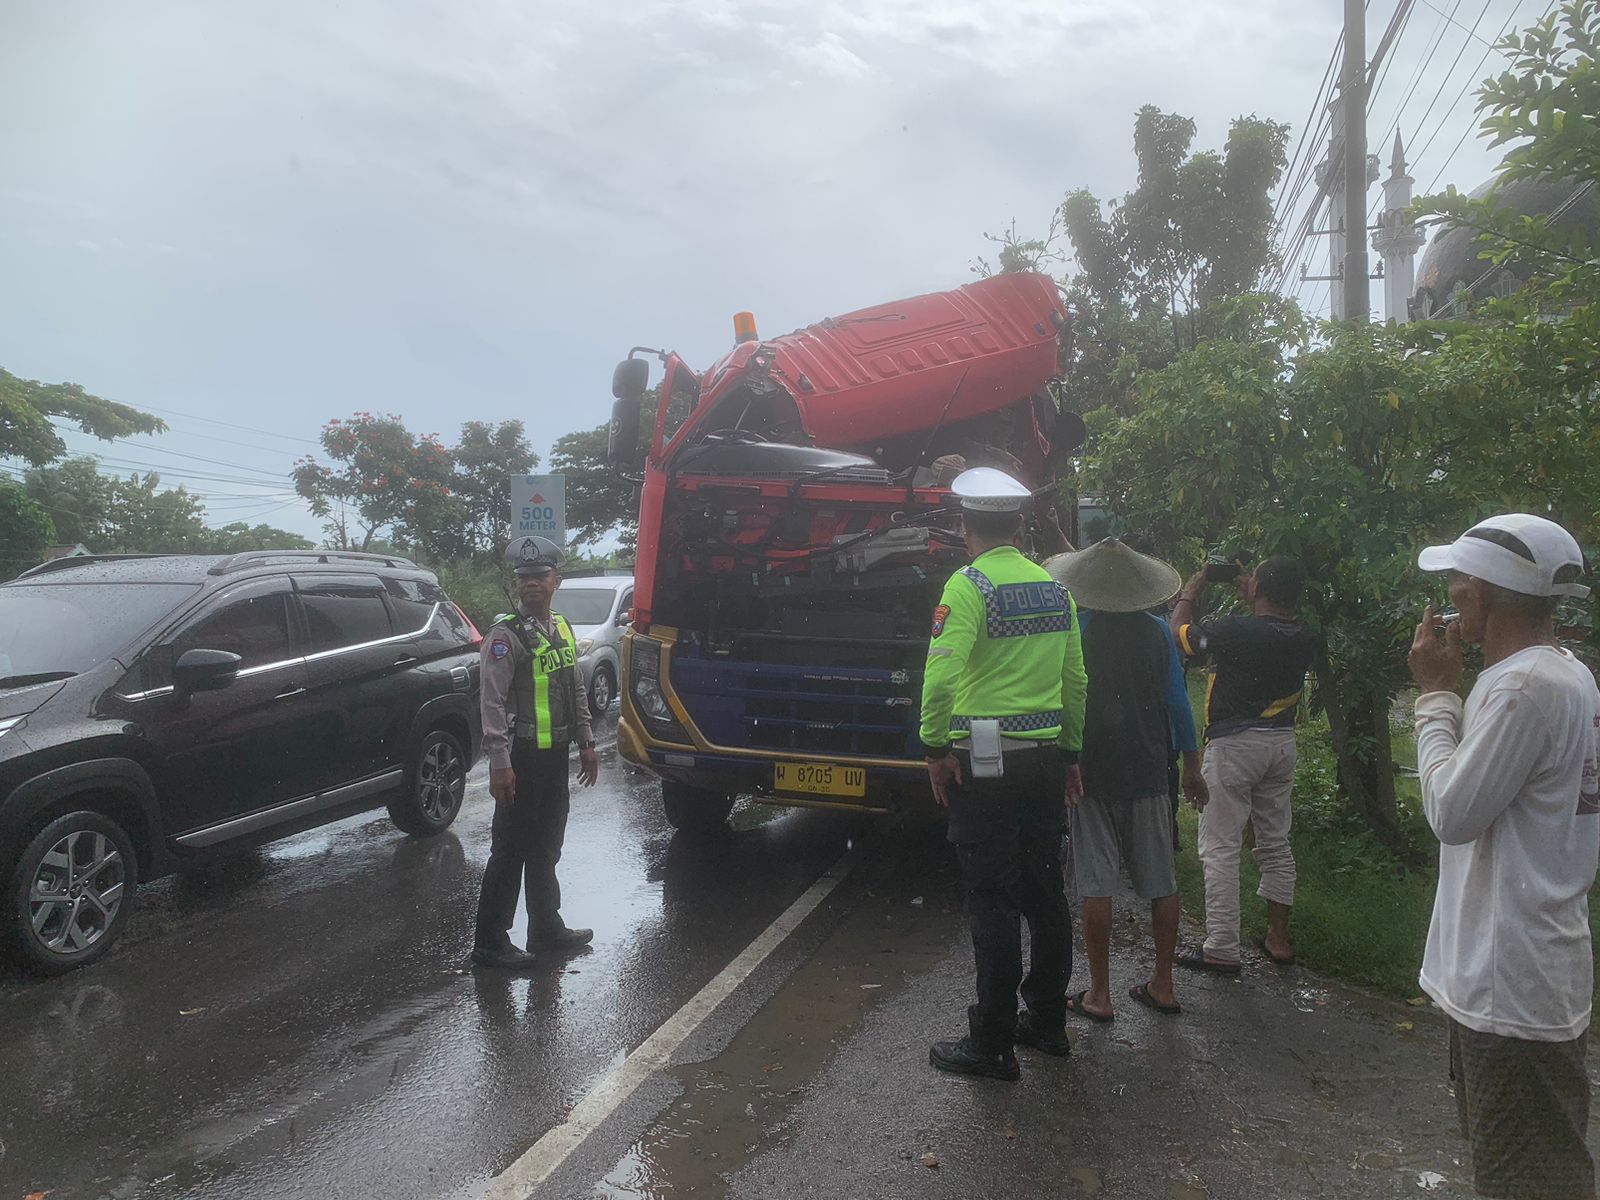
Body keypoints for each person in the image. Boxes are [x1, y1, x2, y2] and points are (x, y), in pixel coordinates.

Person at [1409, 513, 1600, 1199]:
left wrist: (1433, 698)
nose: (1454, 601)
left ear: (1486, 596)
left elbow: (1452, 813)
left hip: (1510, 980)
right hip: (1519, 971)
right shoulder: (1562, 676)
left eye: (1460, 590)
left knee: (1530, 1178)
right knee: (1522, 1164)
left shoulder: (1524, 688)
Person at [919, 467, 1088, 1081]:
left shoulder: (967, 588)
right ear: (1018, 525)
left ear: (965, 527)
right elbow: (1076, 680)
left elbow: (940, 676)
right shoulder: (1054, 589)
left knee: (991, 899)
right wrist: (1070, 753)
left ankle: (991, 1043)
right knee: (1045, 891)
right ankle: (1046, 1020)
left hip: (983, 770)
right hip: (1045, 762)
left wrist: (934, 747)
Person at [1045, 539, 1205, 1021]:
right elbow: (1178, 705)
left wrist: (1060, 762)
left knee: (1096, 880)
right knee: (1161, 879)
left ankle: (1099, 993)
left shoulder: (1075, 631)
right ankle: (1164, 982)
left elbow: (1062, 700)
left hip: (1090, 770)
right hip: (1150, 769)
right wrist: (1193, 768)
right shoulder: (1159, 634)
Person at [1169, 555, 1316, 974]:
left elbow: (1177, 637)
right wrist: (1253, 593)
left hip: (1235, 746)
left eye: (1252, 578)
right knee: (1274, 840)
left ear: (1258, 590)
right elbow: (1266, 628)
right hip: (1281, 745)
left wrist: (1191, 590)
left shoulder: (1235, 631)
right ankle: (1278, 939)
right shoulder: (1305, 635)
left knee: (1220, 845)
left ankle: (1221, 946)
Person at [471, 535, 601, 970]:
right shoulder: (504, 637)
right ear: (516, 582)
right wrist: (500, 764)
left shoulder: (561, 628)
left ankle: (545, 927)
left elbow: (575, 687)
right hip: (520, 758)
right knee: (509, 851)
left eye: (539, 576)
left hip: (553, 757)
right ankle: (490, 943)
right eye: (524, 577)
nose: (531, 584)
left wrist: (586, 742)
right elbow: (490, 703)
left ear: (555, 581)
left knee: (546, 845)